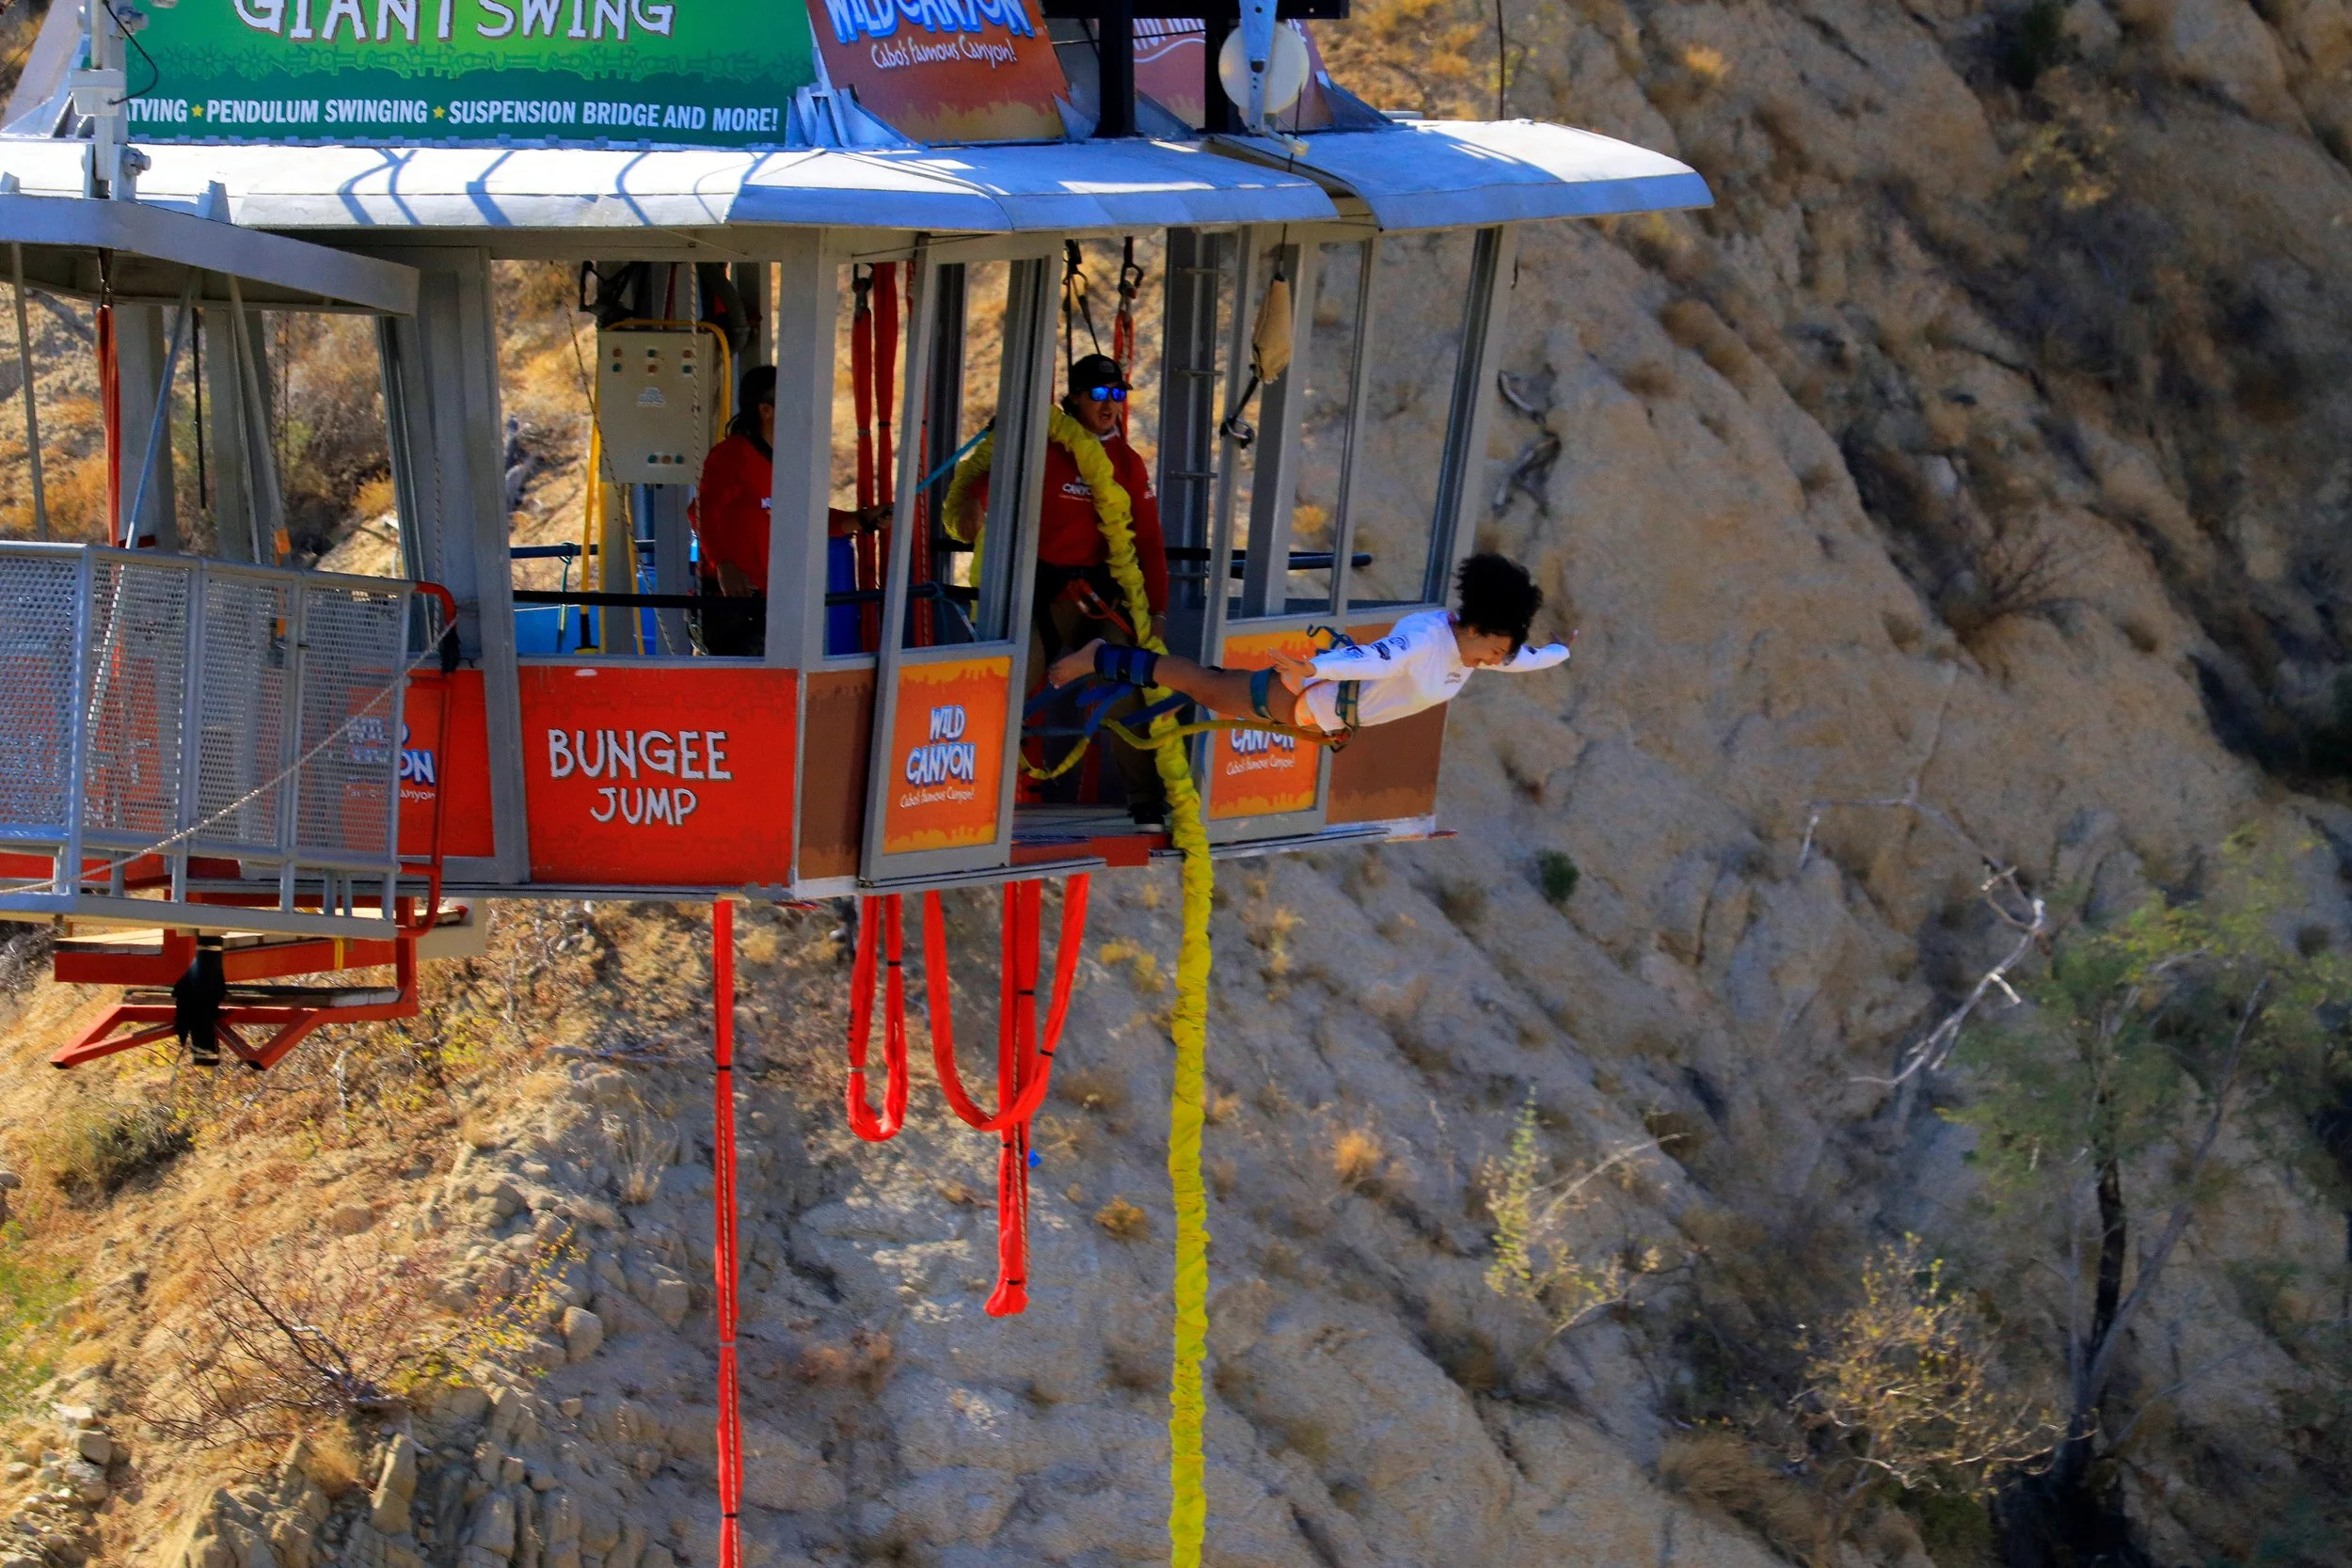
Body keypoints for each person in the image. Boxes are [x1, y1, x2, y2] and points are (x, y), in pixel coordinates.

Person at [1047, 552, 1570, 740]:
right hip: (1304, 696)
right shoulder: (1423, 640)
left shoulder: (1475, 652)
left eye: (1503, 654)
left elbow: (1523, 659)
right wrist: (1314, 667)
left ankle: (1104, 659)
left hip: (1320, 709)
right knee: (1201, 685)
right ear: (1475, 628)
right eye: (1497, 649)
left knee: (1207, 684)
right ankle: (1097, 656)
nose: (1498, 660)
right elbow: (1374, 658)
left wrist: (1559, 653)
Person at [968, 352, 1170, 821]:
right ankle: (975, 797)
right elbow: (990, 485)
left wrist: (1158, 612)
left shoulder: (1127, 463)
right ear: (1075, 398)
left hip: (1102, 604)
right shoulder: (1045, 450)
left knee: (1124, 685)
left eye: (1117, 394)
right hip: (1046, 600)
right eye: (1098, 394)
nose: (1109, 404)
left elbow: (1150, 543)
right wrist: (975, 503)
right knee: (1007, 683)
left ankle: (1144, 800)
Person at [691, 364, 775, 657]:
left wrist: (858, 521)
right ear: (766, 410)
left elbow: (804, 517)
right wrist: (723, 564)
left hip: (773, 601)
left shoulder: (785, 458)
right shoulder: (733, 455)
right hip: (735, 606)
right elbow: (700, 511)